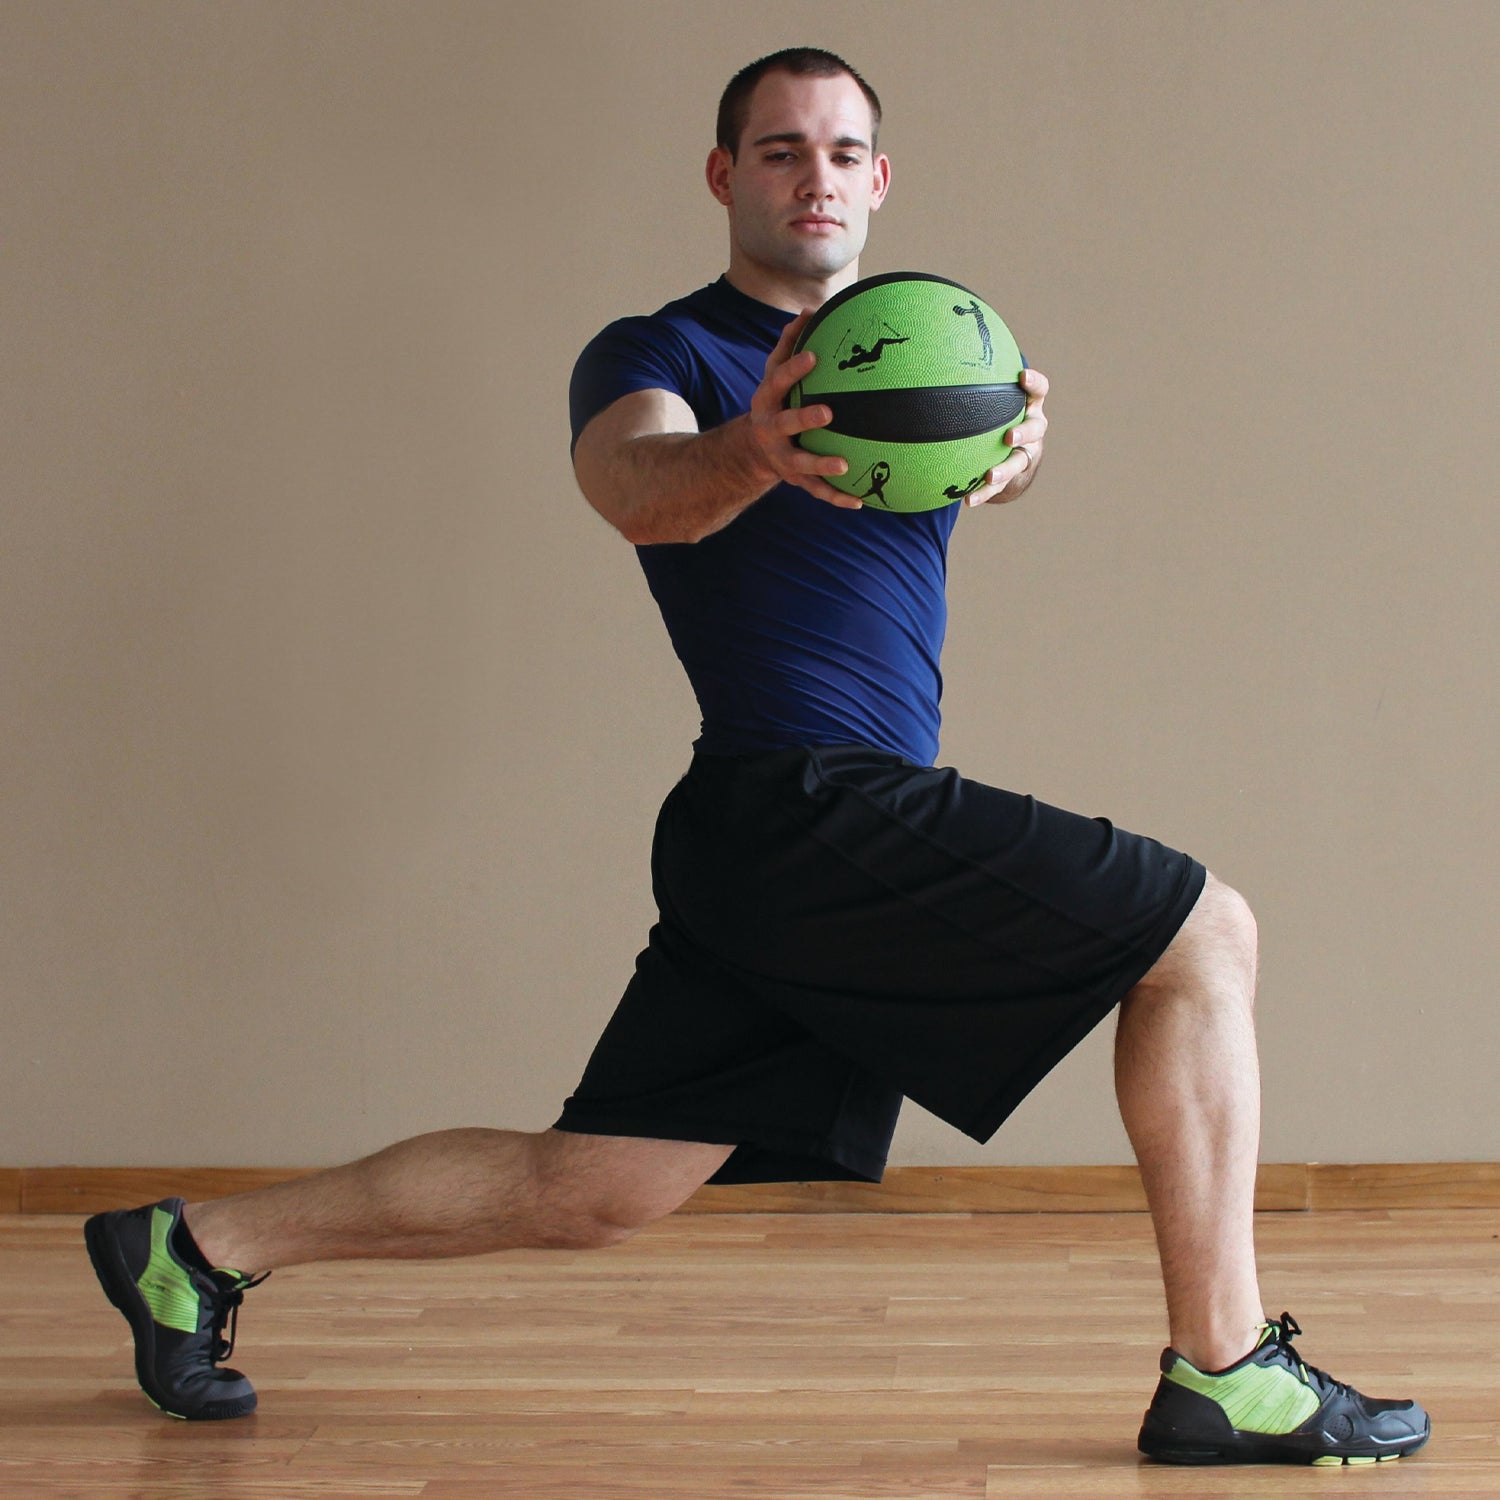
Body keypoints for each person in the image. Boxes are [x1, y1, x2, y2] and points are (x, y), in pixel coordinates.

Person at [85, 47, 1428, 1467]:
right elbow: (634, 486)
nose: (815, 177)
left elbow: (964, 465)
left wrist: (1012, 448)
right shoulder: (660, 354)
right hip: (801, 797)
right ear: (726, 176)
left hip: (780, 837)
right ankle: (1225, 1370)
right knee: (1205, 933)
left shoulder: (918, 351)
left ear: (880, 180)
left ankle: (194, 1247)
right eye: (781, 150)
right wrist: (753, 451)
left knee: (597, 1187)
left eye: (843, 152)